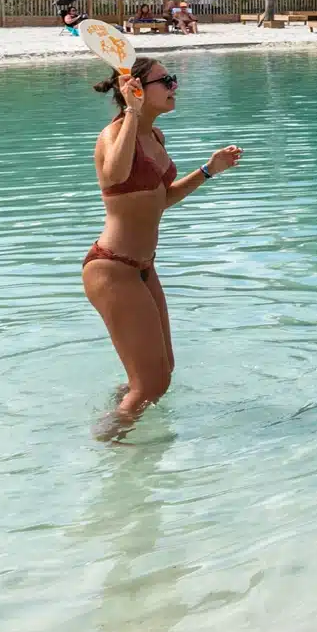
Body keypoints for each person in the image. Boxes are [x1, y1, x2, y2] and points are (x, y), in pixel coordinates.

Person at [83, 57, 242, 434]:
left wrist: (208, 171)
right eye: (166, 80)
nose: (174, 86)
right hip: (113, 268)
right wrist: (133, 114)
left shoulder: (155, 137)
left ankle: (115, 417)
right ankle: (113, 457)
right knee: (152, 384)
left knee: (161, 371)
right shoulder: (113, 135)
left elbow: (159, 199)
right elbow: (114, 176)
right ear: (135, 89)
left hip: (142, 268)